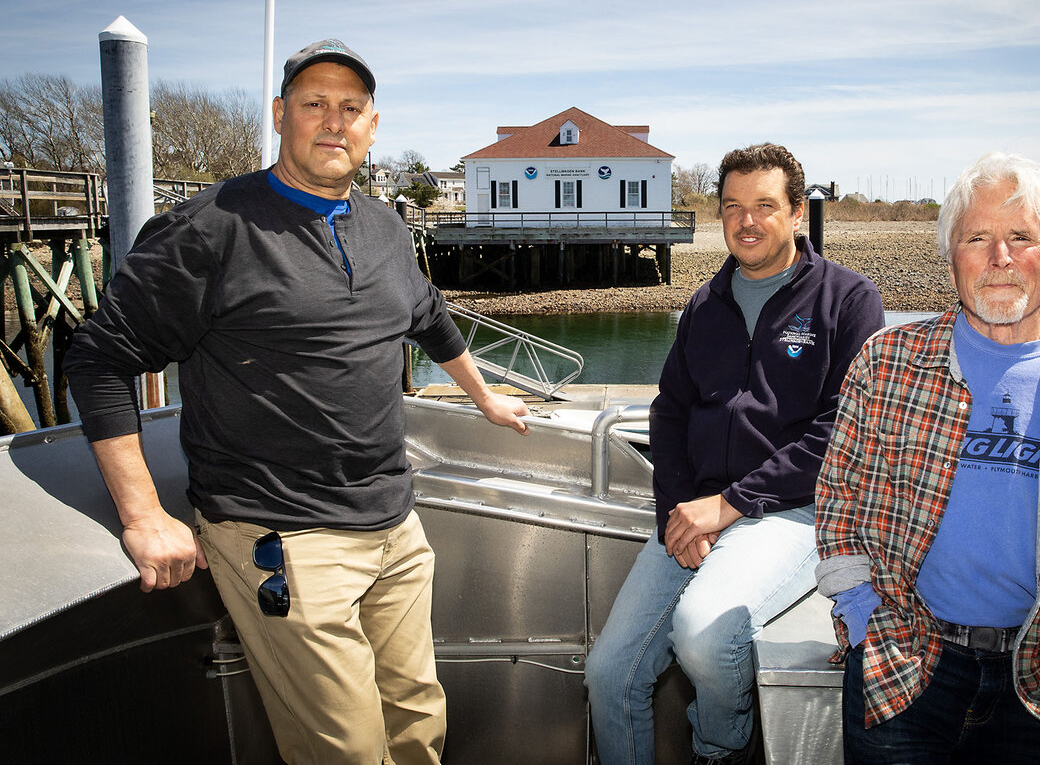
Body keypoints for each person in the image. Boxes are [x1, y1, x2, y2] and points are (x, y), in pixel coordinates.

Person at [64, 39, 529, 765]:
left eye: (351, 108)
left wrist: (484, 397)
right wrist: (144, 514)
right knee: (344, 750)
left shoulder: (384, 226)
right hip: (285, 538)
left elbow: (429, 315)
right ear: (281, 115)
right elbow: (99, 359)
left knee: (417, 720)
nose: (333, 122)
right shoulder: (211, 227)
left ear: (374, 125)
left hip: (394, 527)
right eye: (314, 104)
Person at [815, 152, 1040, 764]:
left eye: (1021, 238)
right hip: (903, 664)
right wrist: (865, 622)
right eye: (977, 238)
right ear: (952, 257)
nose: (999, 258)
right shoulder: (887, 362)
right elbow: (839, 502)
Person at [585, 142, 885, 765]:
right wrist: (680, 511)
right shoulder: (704, 304)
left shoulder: (848, 301)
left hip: (794, 514)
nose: (746, 221)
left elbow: (845, 433)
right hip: (698, 511)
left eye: (765, 206)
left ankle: (720, 751)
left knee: (702, 637)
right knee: (608, 675)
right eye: (732, 207)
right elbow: (669, 413)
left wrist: (728, 505)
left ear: (797, 213)